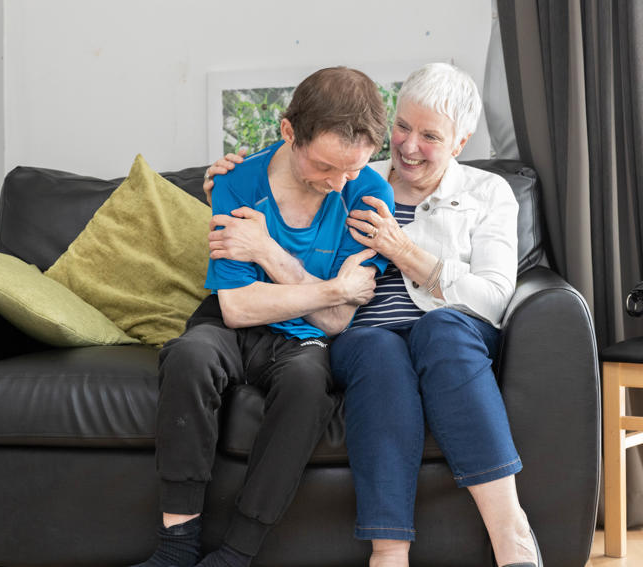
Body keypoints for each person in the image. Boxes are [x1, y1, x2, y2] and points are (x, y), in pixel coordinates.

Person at [203, 62, 542, 567]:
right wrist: (227, 180)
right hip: (364, 335)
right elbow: (283, 188)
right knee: (377, 348)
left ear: (460, 141)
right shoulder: (354, 173)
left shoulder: (487, 193)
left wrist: (407, 253)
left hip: (453, 335)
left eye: (430, 135)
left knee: (442, 330)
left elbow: (494, 299)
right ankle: (389, 553)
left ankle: (511, 535)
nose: (407, 146)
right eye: (403, 127)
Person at [134, 66, 393, 567]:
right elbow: (236, 306)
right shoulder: (236, 181)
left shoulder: (368, 198)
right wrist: (328, 287)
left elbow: (336, 320)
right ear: (289, 131)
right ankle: (176, 547)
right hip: (233, 323)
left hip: (302, 340)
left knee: (305, 387)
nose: (339, 182)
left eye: (354, 168)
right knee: (188, 355)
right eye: (325, 166)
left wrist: (268, 251)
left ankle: (234, 555)